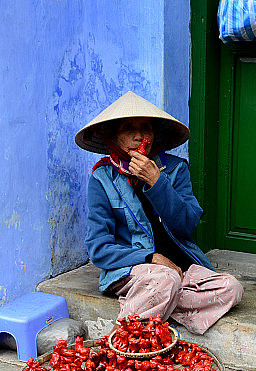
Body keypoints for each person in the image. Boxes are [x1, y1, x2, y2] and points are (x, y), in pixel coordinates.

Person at [75, 91, 243, 334]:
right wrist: (150, 257)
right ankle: (124, 339)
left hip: (180, 270)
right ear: (114, 137)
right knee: (165, 280)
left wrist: (157, 182)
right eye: (128, 128)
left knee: (232, 287)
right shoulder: (102, 179)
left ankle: (154, 305)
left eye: (146, 128)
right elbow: (99, 250)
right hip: (136, 270)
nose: (139, 136)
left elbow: (186, 224)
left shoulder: (175, 170)